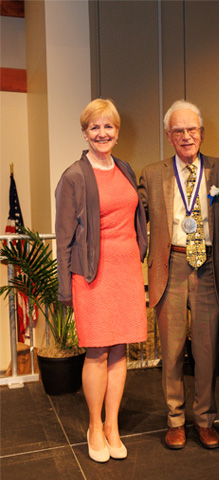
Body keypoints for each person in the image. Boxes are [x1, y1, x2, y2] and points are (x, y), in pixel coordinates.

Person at [55, 98, 148, 463]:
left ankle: (113, 426)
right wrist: (66, 289)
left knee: (120, 348)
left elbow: (135, 214)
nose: (102, 133)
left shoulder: (124, 167)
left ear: (117, 131)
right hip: (92, 274)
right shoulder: (74, 176)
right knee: (97, 350)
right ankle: (94, 426)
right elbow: (63, 239)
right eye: (94, 127)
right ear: (84, 132)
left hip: (126, 271)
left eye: (108, 126)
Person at [138, 100, 219, 450]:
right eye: (178, 131)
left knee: (206, 352)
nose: (186, 136)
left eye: (192, 129)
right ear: (169, 137)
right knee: (171, 351)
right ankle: (175, 420)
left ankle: (205, 420)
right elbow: (131, 217)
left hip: (209, 267)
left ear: (201, 133)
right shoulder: (152, 173)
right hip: (171, 265)